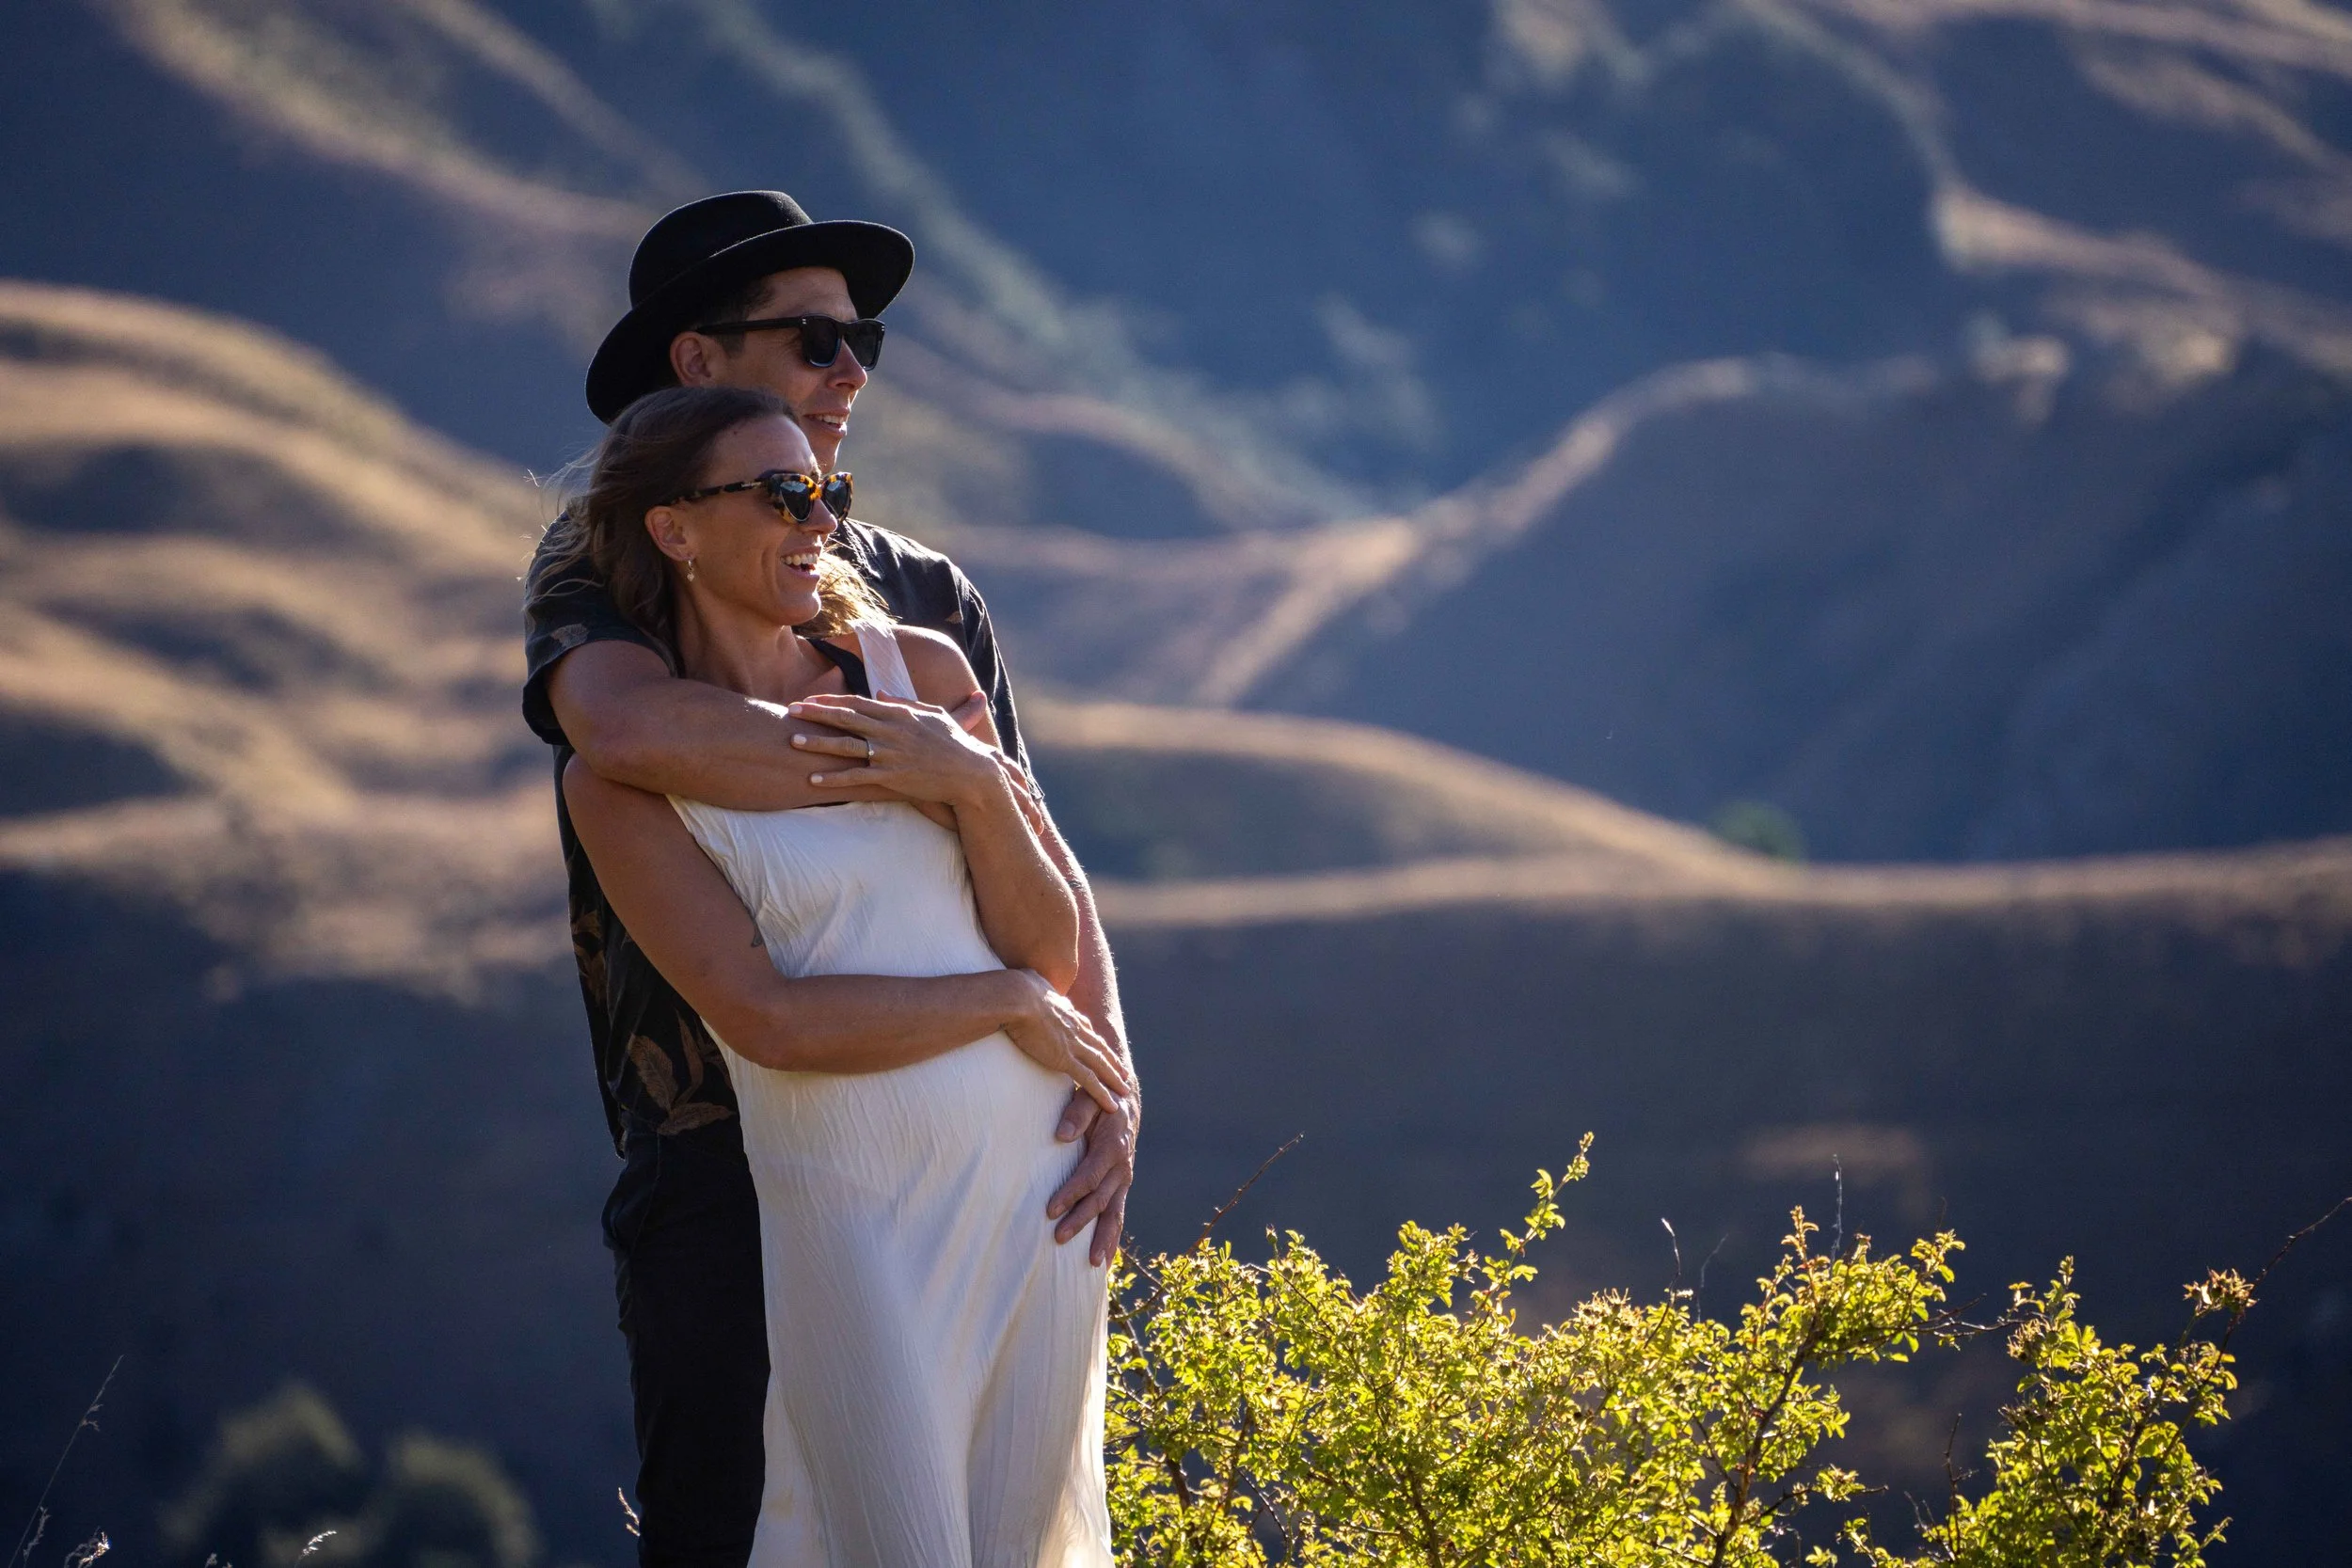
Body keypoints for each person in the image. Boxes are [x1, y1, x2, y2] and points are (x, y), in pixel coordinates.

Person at [520, 192, 1138, 1567]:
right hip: (720, 1157)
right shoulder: (599, 561)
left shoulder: (927, 598)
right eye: (815, 339)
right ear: (697, 359)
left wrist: (1116, 1081)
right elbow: (626, 732)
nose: (852, 369)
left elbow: (1037, 855)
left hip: (997, 1179)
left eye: (862, 340)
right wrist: (909, 761)